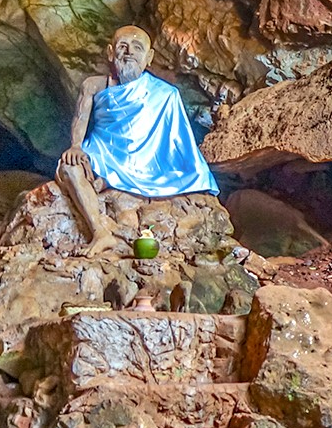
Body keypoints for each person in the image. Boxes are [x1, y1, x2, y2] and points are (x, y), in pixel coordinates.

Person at [56, 25, 218, 255]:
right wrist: (76, 146)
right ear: (111, 52)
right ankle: (100, 232)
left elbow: (175, 140)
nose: (129, 52)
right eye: (123, 46)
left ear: (149, 57)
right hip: (101, 151)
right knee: (70, 169)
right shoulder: (93, 85)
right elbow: (80, 118)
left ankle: (108, 181)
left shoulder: (165, 94)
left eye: (137, 47)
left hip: (143, 160)